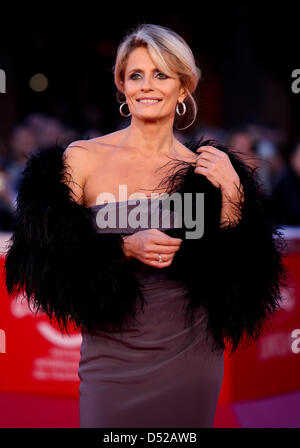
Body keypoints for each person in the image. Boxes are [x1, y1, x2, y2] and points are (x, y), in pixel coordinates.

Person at [4, 24, 289, 428]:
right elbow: (40, 256)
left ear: (183, 87)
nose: (147, 86)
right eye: (136, 75)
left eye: (161, 74)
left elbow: (241, 281)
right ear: (121, 84)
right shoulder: (83, 158)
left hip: (192, 357)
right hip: (111, 359)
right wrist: (122, 247)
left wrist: (233, 194)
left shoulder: (209, 168)